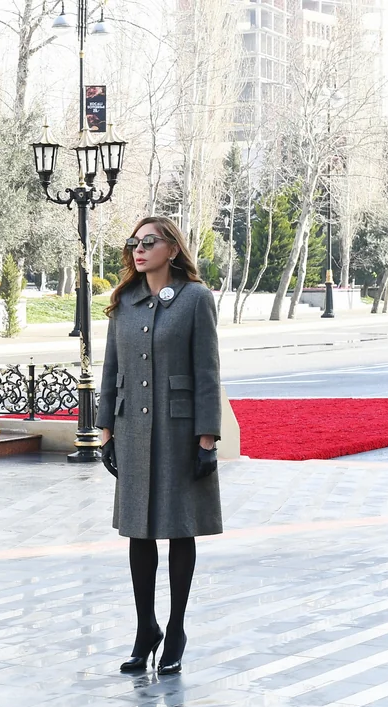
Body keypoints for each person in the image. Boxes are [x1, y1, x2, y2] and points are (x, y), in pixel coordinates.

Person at [97, 216, 223, 676]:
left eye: (149, 242)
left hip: (179, 431)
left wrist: (207, 438)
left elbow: (207, 371)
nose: (139, 249)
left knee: (180, 529)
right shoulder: (124, 302)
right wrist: (105, 431)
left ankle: (176, 630)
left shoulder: (195, 298)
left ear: (172, 248)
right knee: (139, 531)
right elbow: (111, 369)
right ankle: (144, 629)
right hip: (131, 428)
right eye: (134, 241)